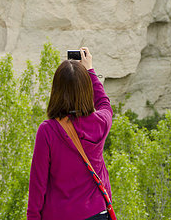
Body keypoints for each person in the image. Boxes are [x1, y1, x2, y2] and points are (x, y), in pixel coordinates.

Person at [27, 47, 113, 220]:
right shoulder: (100, 123)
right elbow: (104, 103)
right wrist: (89, 70)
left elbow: (38, 185)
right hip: (97, 213)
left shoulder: (48, 130)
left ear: (56, 91)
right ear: (86, 89)